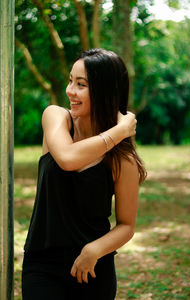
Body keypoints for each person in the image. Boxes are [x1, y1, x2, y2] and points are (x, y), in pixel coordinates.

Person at [22, 48, 147, 300]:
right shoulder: (56, 118)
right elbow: (67, 158)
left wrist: (94, 249)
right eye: (70, 81)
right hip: (42, 265)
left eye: (81, 84)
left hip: (93, 270)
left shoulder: (122, 160)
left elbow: (126, 225)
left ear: (104, 91)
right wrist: (119, 132)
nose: (70, 90)